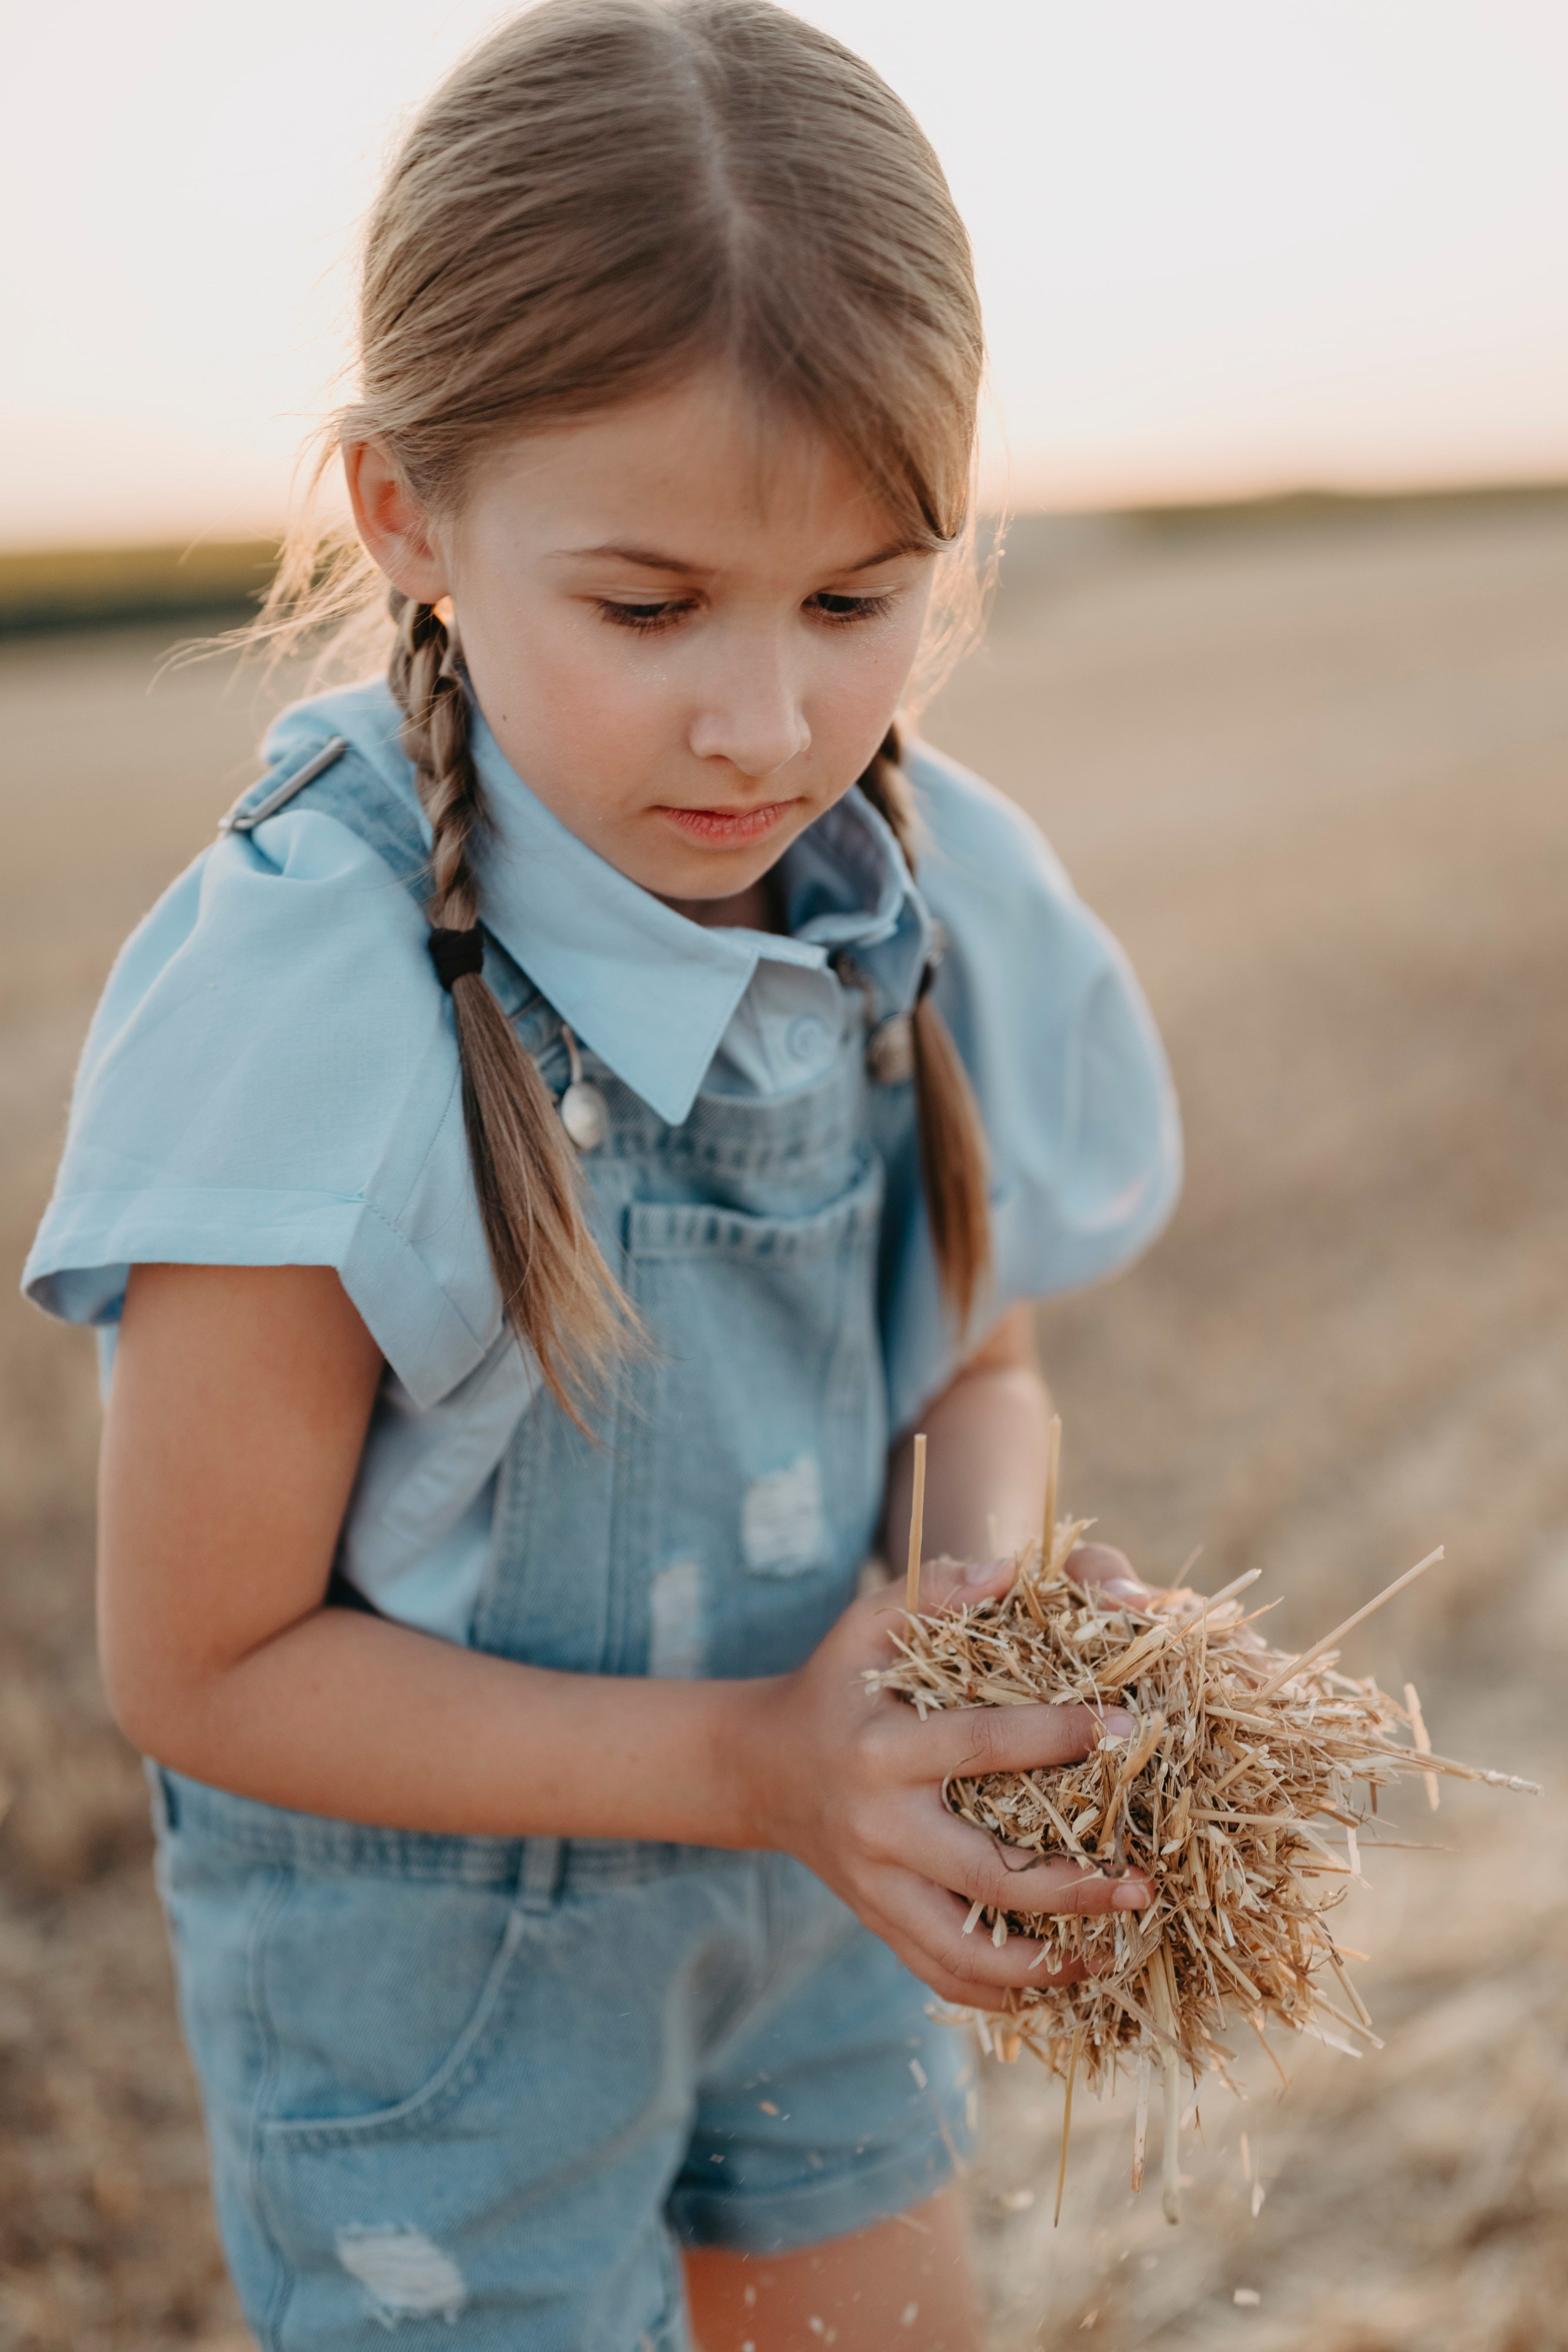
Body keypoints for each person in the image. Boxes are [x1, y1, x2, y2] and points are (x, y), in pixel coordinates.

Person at [24, 4, 1181, 2343]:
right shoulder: (316, 993)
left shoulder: (935, 899)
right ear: (406, 516)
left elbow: (979, 1365)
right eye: (650, 609)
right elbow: (197, 1659)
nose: (769, 722)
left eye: (860, 599)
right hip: (438, 2026)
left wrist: (988, 1647)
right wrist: (759, 1757)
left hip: (817, 1915)